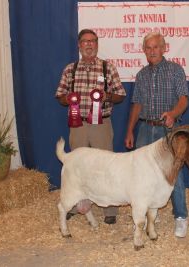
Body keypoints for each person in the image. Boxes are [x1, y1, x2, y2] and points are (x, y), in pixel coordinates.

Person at [55, 29, 126, 224]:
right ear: (79, 45)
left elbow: (121, 94)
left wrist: (107, 96)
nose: (89, 45)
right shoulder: (70, 69)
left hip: (101, 124)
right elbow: (60, 95)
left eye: (93, 41)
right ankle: (74, 203)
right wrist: (68, 99)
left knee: (107, 167)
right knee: (76, 168)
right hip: (77, 125)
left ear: (97, 44)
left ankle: (110, 210)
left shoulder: (107, 67)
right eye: (85, 41)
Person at [124, 32, 189, 238]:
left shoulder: (175, 70)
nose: (152, 51)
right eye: (148, 48)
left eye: (156, 47)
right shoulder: (141, 75)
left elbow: (184, 99)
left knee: (174, 174)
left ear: (164, 48)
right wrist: (129, 131)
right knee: (142, 174)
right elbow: (137, 105)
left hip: (168, 129)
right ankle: (150, 211)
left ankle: (181, 216)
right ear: (144, 51)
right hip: (145, 128)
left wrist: (172, 114)